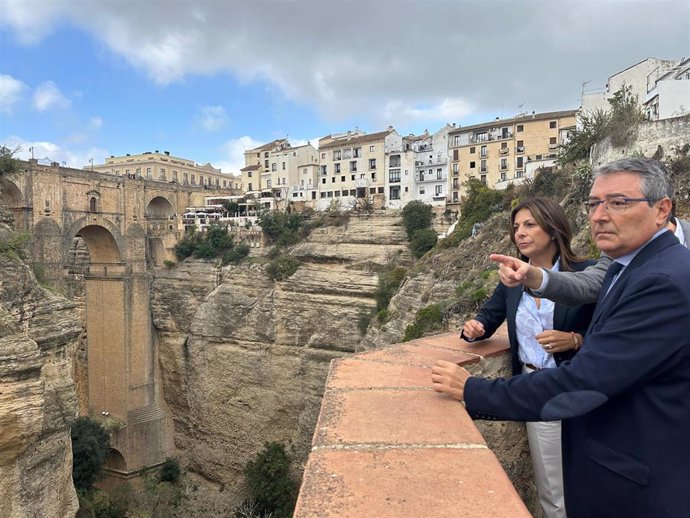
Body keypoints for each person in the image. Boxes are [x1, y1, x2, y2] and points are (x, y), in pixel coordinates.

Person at [432, 157, 690, 518]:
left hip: (637, 481)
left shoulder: (662, 280)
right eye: (593, 204)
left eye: (618, 203)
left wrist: (473, 390)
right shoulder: (627, 266)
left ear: (662, 210)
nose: (599, 215)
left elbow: (586, 380)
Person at [461, 197, 595, 518]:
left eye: (530, 225)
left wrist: (576, 339)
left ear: (552, 229)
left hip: (584, 392)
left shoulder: (586, 273)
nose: (520, 233)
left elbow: (614, 335)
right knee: (554, 493)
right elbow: (485, 320)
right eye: (517, 226)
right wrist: (473, 329)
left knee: (594, 482)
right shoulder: (511, 279)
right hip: (538, 395)